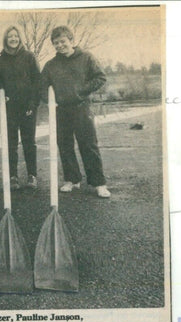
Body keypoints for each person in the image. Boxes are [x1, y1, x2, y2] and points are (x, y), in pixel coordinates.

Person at [40, 25, 111, 198]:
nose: (60, 45)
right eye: (56, 43)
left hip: (81, 108)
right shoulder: (51, 65)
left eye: (63, 41)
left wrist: (81, 90)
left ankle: (98, 183)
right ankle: (72, 179)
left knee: (88, 145)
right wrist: (50, 100)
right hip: (61, 110)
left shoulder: (86, 58)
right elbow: (41, 87)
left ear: (71, 40)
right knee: (64, 145)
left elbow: (100, 77)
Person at [0, 25, 40, 190]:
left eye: (16, 36)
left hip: (28, 107)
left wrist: (32, 104)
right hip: (9, 108)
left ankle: (32, 175)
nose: (13, 39)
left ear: (20, 38)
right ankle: (13, 176)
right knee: (10, 143)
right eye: (10, 37)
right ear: (6, 40)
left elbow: (38, 82)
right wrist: (0, 95)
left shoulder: (29, 56)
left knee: (29, 142)